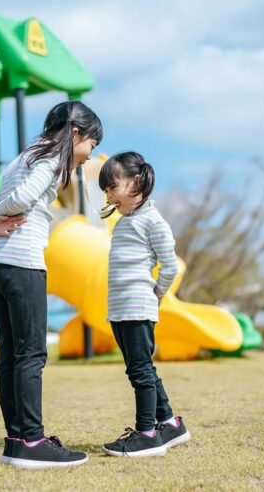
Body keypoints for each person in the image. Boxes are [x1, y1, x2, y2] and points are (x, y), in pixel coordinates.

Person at [0, 101, 102, 469]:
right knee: (31, 355)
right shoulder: (50, 161)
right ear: (75, 133)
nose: (88, 154)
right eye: (90, 145)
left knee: (10, 356)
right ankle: (32, 441)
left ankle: (16, 439)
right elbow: (18, 200)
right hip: (23, 264)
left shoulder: (21, 159)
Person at [98, 151, 191, 457]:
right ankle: (169, 423)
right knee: (141, 369)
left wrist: (158, 293)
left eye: (113, 185)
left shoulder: (153, 220)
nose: (109, 193)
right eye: (107, 189)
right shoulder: (123, 222)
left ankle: (146, 433)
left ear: (136, 182)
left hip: (139, 307)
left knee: (140, 371)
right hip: (120, 309)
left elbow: (170, 265)